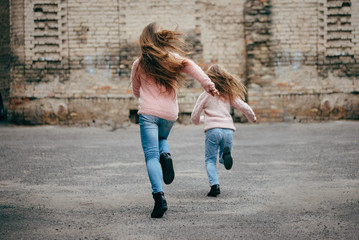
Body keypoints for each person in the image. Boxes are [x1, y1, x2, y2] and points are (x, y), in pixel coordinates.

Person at [131, 22, 219, 218]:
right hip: (169, 114)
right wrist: (208, 84)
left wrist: (146, 94)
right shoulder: (171, 59)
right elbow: (191, 65)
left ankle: (159, 197)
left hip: (148, 114)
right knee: (162, 140)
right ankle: (167, 155)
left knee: (151, 156)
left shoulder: (139, 64)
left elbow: (136, 91)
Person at [191, 64, 256, 197]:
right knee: (224, 156)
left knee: (210, 159)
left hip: (212, 131)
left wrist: (200, 120)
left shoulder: (205, 95)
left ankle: (215, 186)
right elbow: (243, 107)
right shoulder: (229, 94)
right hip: (228, 130)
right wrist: (252, 118)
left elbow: (194, 115)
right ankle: (225, 156)